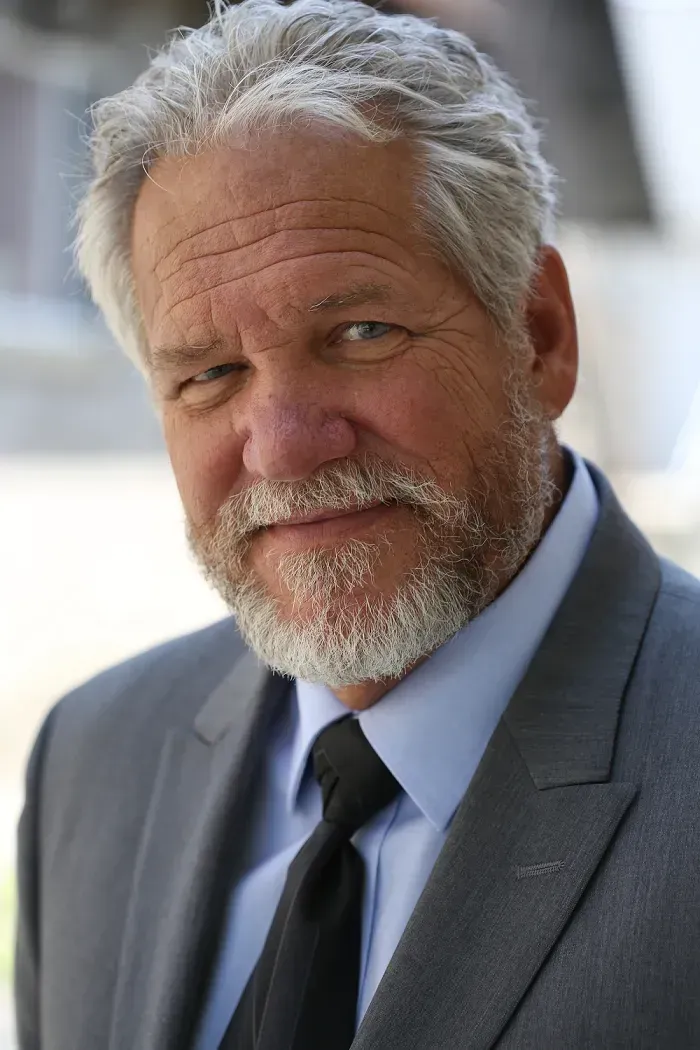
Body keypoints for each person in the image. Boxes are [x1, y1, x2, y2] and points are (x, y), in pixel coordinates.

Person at [14, 1, 700, 1047]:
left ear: (540, 334)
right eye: (209, 373)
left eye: (360, 331)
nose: (284, 445)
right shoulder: (94, 760)